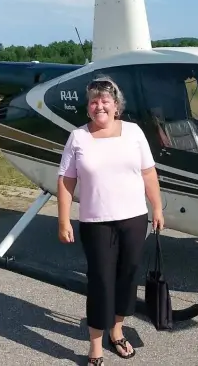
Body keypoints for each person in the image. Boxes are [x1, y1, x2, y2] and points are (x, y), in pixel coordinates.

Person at [57, 75, 164, 365]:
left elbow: (148, 173)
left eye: (105, 100)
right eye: (94, 101)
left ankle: (116, 331)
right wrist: (64, 220)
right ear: (88, 107)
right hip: (96, 223)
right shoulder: (78, 137)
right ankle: (95, 347)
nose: (99, 105)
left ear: (116, 106)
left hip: (133, 220)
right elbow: (66, 181)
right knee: (100, 282)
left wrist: (157, 207)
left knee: (127, 278)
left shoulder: (133, 133)